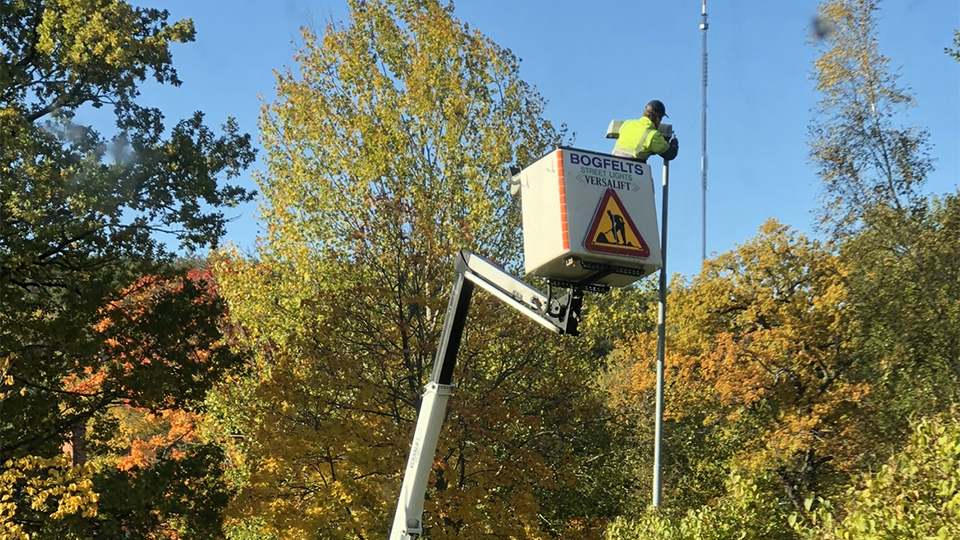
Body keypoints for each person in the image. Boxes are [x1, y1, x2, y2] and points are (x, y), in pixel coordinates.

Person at [612, 99, 679, 162]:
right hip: (633, 168)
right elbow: (670, 154)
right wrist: (674, 143)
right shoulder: (652, 135)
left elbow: (634, 143)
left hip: (614, 165)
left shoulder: (627, 123)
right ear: (657, 118)